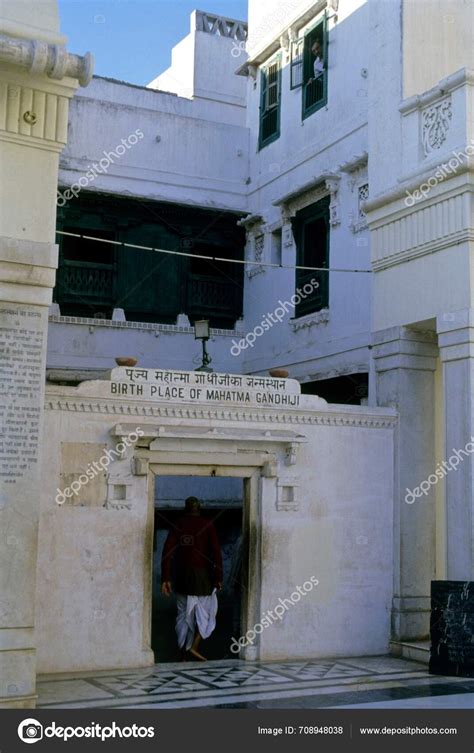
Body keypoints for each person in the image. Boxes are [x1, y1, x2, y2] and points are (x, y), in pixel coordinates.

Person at [161, 496, 222, 661]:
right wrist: (218, 577)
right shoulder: (207, 524)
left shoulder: (178, 525)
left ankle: (183, 654)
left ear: (185, 508)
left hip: (181, 579)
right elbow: (216, 552)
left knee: (183, 616)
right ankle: (194, 646)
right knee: (207, 613)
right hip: (203, 578)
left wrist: (165, 578)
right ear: (199, 508)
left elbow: (167, 551)